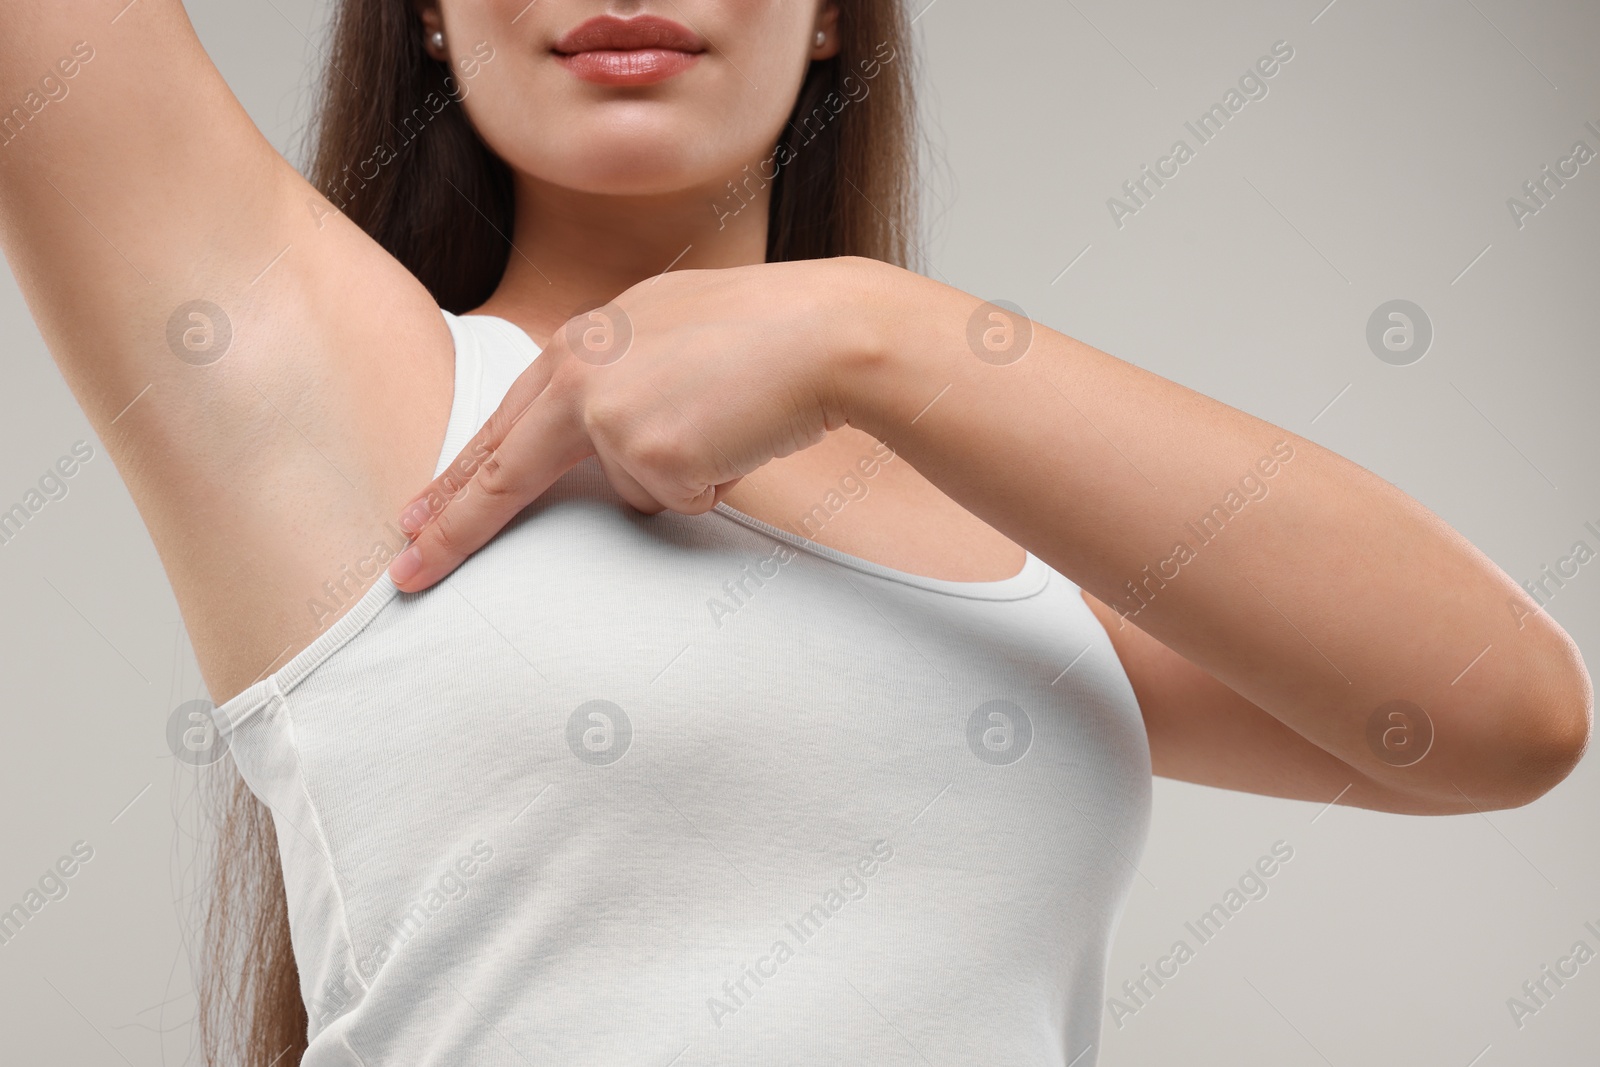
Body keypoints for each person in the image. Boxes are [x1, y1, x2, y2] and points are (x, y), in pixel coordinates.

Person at [1, 1, 1589, 1064]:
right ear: (426, 7)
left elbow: (1504, 717)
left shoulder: (1009, 540)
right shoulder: (320, 383)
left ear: (833, 11)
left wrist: (868, 337)